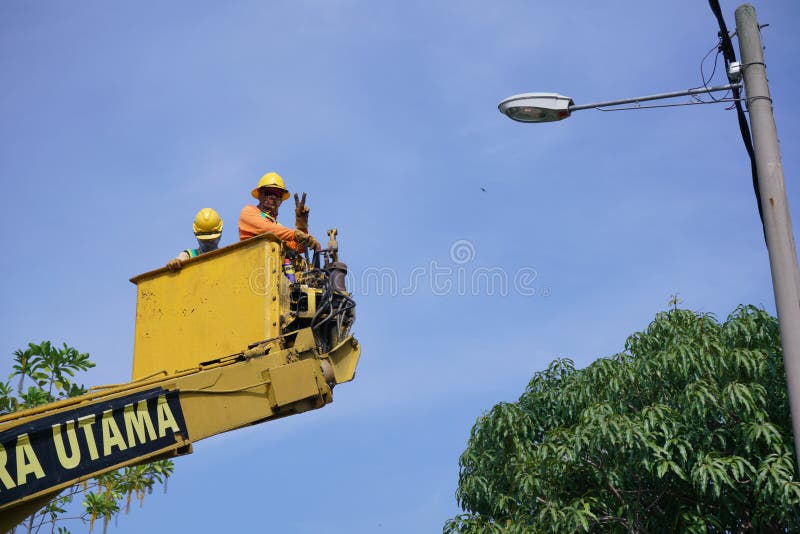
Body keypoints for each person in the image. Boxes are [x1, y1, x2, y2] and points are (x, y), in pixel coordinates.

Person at [238, 171, 321, 251]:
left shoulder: (278, 227)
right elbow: (266, 228)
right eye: (268, 193)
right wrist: (295, 234)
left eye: (278, 194)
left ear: (281, 200)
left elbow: (297, 248)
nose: (273, 197)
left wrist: (302, 226)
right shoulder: (249, 212)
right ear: (260, 195)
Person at [166, 208, 223, 272]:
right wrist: (175, 262)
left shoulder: (225, 257)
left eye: (211, 239)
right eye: (204, 240)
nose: (208, 242)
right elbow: (179, 260)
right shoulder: (189, 255)